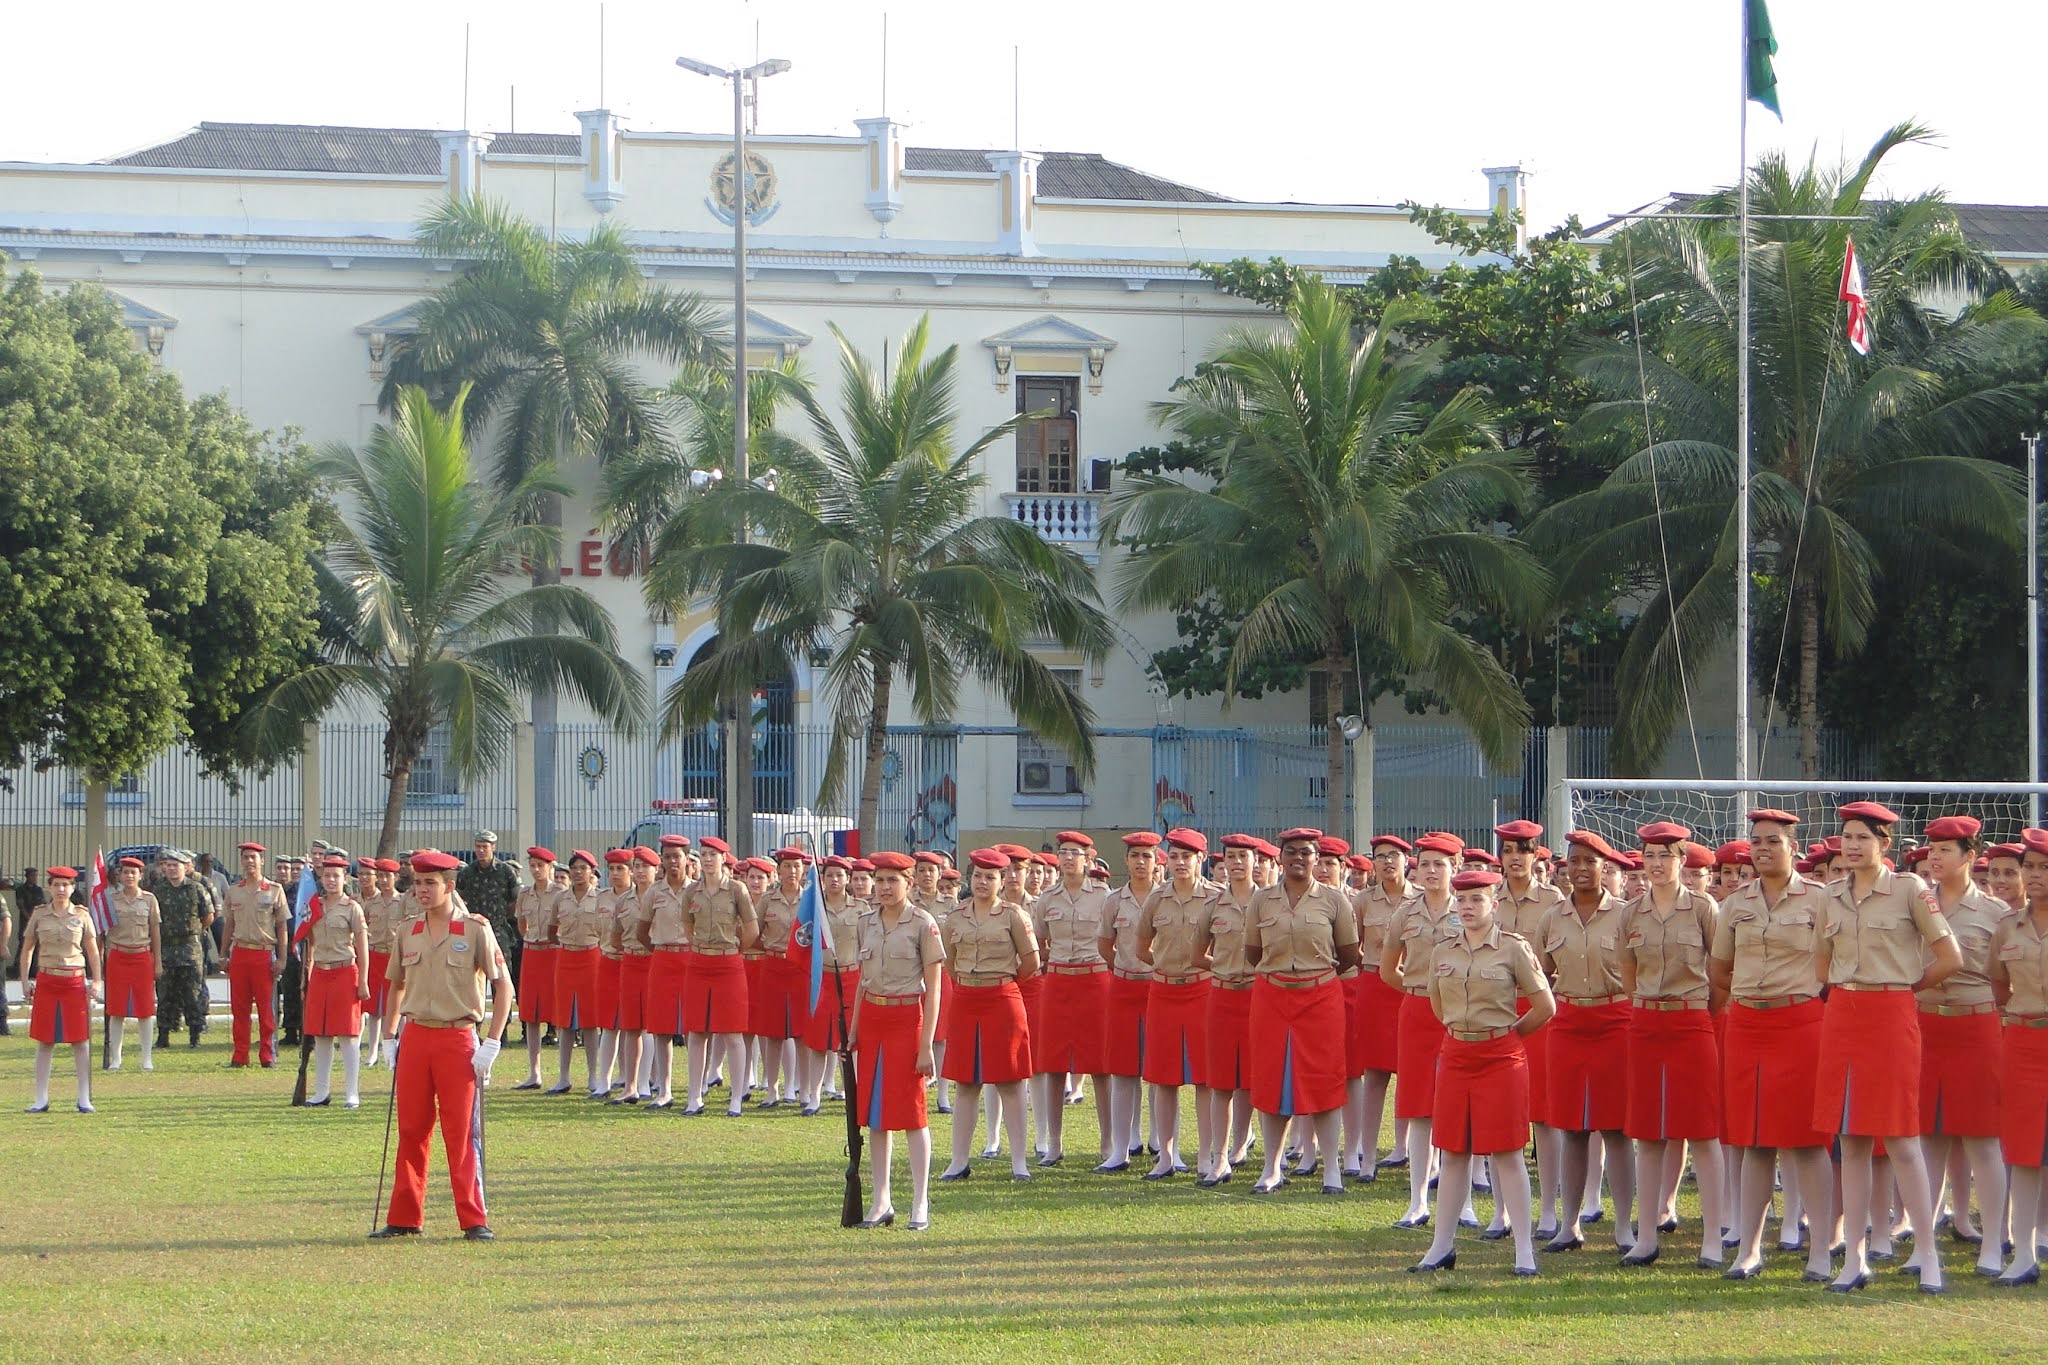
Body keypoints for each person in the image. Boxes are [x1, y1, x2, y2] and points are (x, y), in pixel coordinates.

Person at [1813, 800, 1959, 1294]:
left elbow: (1949, 955)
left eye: (1862, 837)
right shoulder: (1829, 896)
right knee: (1850, 1140)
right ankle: (1854, 1258)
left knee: (1900, 1138)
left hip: (1891, 1015)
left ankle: (1928, 1254)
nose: (1851, 846)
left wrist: (1907, 989)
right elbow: (1821, 966)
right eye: (1846, 836)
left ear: (1885, 844)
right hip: (1841, 1017)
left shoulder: (1910, 890)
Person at [1708, 809, 1836, 1281]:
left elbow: (1834, 963)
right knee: (1752, 1139)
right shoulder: (1734, 903)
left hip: (1801, 1023)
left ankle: (1821, 1249)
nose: (1762, 849)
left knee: (1806, 1141)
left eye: (1773, 842)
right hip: (1747, 1023)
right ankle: (1749, 1248)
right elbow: (1719, 969)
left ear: (1793, 850)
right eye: (1756, 842)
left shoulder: (1821, 900)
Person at [1411, 868, 1554, 1276]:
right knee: (1453, 1151)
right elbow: (1438, 1007)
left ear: (1495, 903)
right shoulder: (1444, 951)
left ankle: (1524, 1249)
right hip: (1457, 1053)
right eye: (1463, 899)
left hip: (1502, 1057)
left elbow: (1545, 1007)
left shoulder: (1513, 948)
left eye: (1477, 899)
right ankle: (1441, 1247)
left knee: (1507, 1153)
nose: (1468, 907)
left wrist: (1507, 1037)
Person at [369, 850, 513, 1242]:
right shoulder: (407, 930)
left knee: (461, 1132)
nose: (421, 890)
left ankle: (473, 1218)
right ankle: (404, 1216)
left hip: (457, 1038)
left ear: (449, 886)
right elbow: (395, 986)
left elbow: (504, 988)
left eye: (430, 883)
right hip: (415, 1037)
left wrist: (493, 1041)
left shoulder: (474, 929)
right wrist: (389, 1036)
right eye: (417, 882)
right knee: (412, 1129)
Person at [1614, 820, 1728, 1268]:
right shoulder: (1630, 912)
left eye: (1666, 855)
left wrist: (1698, 1010)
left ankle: (1714, 1238)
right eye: (1650, 856)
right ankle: (1645, 1237)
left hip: (1692, 1022)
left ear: (1683, 860)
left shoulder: (1702, 908)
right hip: (1645, 1024)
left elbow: (1720, 976)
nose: (1657, 864)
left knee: (1702, 1131)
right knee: (1647, 1132)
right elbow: (1627, 975)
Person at [1914, 814, 2010, 1279]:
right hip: (1925, 1027)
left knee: (1983, 1140)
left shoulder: (1995, 913)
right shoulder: (1914, 902)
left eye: (1945, 849)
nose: (1934, 856)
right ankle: (1923, 1243)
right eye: (1931, 848)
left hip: (1977, 1029)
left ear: (1970, 858)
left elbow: (2003, 980)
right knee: (1926, 1139)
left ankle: (1994, 1241)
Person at [1243, 827, 1360, 1196]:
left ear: (1317, 858)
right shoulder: (1262, 901)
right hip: (1272, 997)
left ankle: (1331, 1171)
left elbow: (1349, 954)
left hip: (1320, 997)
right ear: (1279, 857)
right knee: (1270, 1080)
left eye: (1306, 852)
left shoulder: (1334, 900)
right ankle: (1271, 1168)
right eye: (1291, 851)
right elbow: (1252, 952)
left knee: (1325, 1081)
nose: (1298, 858)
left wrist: (1314, 977)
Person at [1537, 830, 1635, 1252]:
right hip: (1569, 1021)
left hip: (1617, 1020)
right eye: (1572, 862)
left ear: (1605, 867)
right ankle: (1569, 1223)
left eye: (1589, 862)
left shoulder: (1627, 915)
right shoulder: (1551, 918)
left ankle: (1625, 1225)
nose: (1579, 869)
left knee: (1617, 1129)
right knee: (1570, 1128)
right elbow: (1539, 972)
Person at [850, 851, 946, 1229]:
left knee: (912, 1113)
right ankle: (881, 1201)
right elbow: (861, 981)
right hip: (873, 1018)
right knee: (875, 1116)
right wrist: (855, 1027)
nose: (885, 887)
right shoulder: (865, 923)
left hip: (907, 1018)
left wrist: (926, 1045)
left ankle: (920, 1203)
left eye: (893, 880)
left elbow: (934, 990)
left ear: (909, 882)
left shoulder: (923, 923)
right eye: (880, 879)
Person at [936, 848, 1039, 1183]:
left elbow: (1031, 962)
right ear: (970, 877)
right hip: (966, 999)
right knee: (966, 1083)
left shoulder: (1014, 915)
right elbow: (948, 960)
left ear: (1003, 879)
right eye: (978, 875)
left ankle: (1019, 1162)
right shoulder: (955, 916)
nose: (983, 882)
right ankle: (958, 1161)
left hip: (1003, 999)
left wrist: (1001, 982)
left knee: (1010, 1082)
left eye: (990, 877)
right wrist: (970, 981)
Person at [1381, 831, 1465, 1226]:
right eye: (1425, 863)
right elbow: (1387, 968)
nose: (1431, 871)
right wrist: (1422, 993)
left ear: (1456, 868)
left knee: (1458, 1106)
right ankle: (1417, 1200)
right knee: (1417, 1108)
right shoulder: (1406, 912)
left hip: (1459, 1015)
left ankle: (1461, 1201)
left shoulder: (1469, 910)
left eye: (1440, 864)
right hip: (1416, 1012)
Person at [1495, 819, 1565, 1240]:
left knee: (1545, 1112)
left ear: (1537, 855)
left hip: (1540, 1012)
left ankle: (1550, 1209)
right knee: (1501, 1111)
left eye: (1523, 850)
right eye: (1508, 851)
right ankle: (1501, 1210)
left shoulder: (1555, 901)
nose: (1515, 858)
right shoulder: (1489, 899)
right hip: (1496, 1010)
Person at [1030, 831, 1114, 1169]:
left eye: (1075, 853)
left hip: (1095, 980)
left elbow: (1113, 939)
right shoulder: (1048, 899)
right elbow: (1040, 940)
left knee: (1101, 1065)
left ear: (1088, 859)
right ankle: (1054, 1143)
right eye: (1063, 852)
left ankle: (1108, 1141)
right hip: (1059, 980)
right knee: (1052, 1064)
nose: (1067, 859)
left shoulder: (1105, 896)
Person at [1135, 827, 1215, 1180]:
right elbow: (1141, 946)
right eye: (1176, 856)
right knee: (1162, 1078)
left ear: (1201, 860)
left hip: (1202, 992)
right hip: (1164, 992)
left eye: (1188, 856)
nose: (1180, 863)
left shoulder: (1216, 897)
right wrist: (1166, 966)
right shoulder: (1157, 897)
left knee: (1205, 1079)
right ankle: (1166, 1155)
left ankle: (1205, 1156)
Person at [1989, 828, 2048, 1285]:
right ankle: (2023, 1253)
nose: (2035, 875)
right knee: (2024, 1153)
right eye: (2030, 866)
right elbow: (1998, 983)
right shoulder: (2008, 925)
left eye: (2044, 867)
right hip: (2023, 1042)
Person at [1190, 833, 1263, 1185]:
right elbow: (1196, 954)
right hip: (1221, 996)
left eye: (1243, 857)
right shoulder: (1213, 905)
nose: (1236, 863)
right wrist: (1221, 968)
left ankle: (1241, 1144)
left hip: (1258, 998)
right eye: (1230, 857)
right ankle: (1218, 1156)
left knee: (1252, 1077)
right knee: (1220, 1080)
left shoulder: (1268, 903)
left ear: (1256, 862)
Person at [682, 836, 760, 1117]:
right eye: (703, 855)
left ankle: (736, 1098)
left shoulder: (737, 889)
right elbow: (687, 927)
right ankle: (694, 1097)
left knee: (733, 1032)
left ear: (723, 858)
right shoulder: (692, 891)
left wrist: (735, 949)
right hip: (699, 963)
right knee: (697, 1032)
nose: (707, 859)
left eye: (713, 855)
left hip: (729, 963)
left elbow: (751, 930)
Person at [1100, 831, 1164, 1167]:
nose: (1141, 862)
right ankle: (1120, 1149)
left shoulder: (1165, 897)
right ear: (1126, 860)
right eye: (1135, 856)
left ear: (1157, 862)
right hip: (1124, 987)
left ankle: (1159, 1142)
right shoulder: (1114, 900)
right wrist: (1123, 967)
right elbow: (1104, 944)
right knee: (1123, 1071)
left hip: (1158, 987)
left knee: (1159, 1070)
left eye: (1147, 856)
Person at [1350, 835, 1412, 1179]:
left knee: (1411, 1071)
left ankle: (1403, 1147)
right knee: (1374, 1073)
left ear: (1407, 860)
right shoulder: (1362, 901)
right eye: (1380, 857)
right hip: (1374, 985)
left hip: (1409, 988)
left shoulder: (1419, 900)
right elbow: (1353, 946)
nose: (1388, 862)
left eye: (1394, 856)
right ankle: (1368, 1157)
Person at [18, 867, 103, 1112]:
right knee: (45, 1041)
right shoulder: (40, 914)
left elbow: (92, 951)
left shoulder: (82, 915)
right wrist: (25, 980)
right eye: (56, 885)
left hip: (74, 981)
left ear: (73, 888)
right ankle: (41, 1098)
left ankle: (84, 1097)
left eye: (66, 885)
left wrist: (96, 981)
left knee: (80, 1041)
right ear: (49, 887)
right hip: (47, 980)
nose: (61, 889)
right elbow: (27, 949)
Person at [298, 854, 371, 1108]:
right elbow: (306, 937)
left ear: (344, 879)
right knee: (321, 1034)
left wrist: (363, 980)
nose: (331, 880)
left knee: (348, 1034)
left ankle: (352, 1092)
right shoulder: (314, 906)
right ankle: (321, 1092)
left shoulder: (352, 907)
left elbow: (362, 946)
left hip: (344, 971)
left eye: (336, 876)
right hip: (320, 972)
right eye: (327, 875)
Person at [797, 854, 866, 1114]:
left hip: (851, 977)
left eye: (840, 875)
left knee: (851, 1042)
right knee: (818, 1041)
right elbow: (803, 939)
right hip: (822, 978)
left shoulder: (861, 909)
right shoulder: (814, 907)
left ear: (848, 879)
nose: (835, 880)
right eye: (829, 875)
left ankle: (853, 1092)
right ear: (822, 880)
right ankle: (813, 1096)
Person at [751, 849, 812, 1108]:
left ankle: (805, 1089)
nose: (792, 872)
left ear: (803, 870)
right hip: (773, 966)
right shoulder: (768, 899)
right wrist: (771, 950)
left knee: (802, 1033)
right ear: (779, 870)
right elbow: (754, 932)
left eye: (796, 866)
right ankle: (772, 1088)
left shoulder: (810, 900)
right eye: (786, 866)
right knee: (773, 1031)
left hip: (800, 969)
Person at [222, 843, 290, 1068]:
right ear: (241, 861)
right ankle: (240, 1054)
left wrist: (282, 958)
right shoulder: (234, 891)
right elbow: (229, 925)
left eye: (253, 857)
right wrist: (223, 955)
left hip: (263, 954)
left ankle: (267, 1055)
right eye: (245, 858)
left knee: (265, 1008)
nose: (249, 861)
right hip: (240, 952)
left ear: (262, 861)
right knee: (239, 1008)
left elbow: (281, 927)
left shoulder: (274, 890)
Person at [639, 836, 694, 1108]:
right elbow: (641, 930)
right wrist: (660, 947)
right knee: (661, 1027)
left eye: (678, 856)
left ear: (687, 859)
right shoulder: (654, 892)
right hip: (662, 959)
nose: (673, 861)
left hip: (690, 959)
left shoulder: (696, 891)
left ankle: (696, 1087)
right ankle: (665, 1088)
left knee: (694, 1026)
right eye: (668, 856)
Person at [548, 851, 604, 1096]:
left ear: (592, 871)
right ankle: (563, 1077)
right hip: (566, 957)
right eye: (574, 868)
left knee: (591, 1021)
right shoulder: (561, 899)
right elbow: (552, 930)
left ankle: (594, 1076)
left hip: (592, 957)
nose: (578, 873)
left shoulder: (601, 898)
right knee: (564, 1020)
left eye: (583, 868)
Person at [102, 856, 161, 1071]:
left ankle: (146, 1058)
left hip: (142, 956)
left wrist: (158, 962)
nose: (129, 876)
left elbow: (155, 932)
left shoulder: (149, 900)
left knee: (145, 1010)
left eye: (133, 872)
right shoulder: (111, 899)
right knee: (116, 1010)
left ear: (140, 876)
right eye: (125, 872)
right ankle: (116, 1058)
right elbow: (102, 932)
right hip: (117, 956)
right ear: (119, 875)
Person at [151, 851, 212, 1050]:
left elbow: (209, 915)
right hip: (166, 947)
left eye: (174, 865)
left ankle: (195, 1036)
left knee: (192, 993)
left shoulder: (196, 888)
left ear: (185, 866)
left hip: (190, 948)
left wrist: (195, 931)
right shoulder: (158, 890)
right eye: (167, 865)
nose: (170, 869)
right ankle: (163, 1035)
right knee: (165, 994)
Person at [511, 847, 561, 1088]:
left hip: (553, 953)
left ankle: (563, 1074)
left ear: (551, 867)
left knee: (558, 1012)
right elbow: (521, 923)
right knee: (531, 1014)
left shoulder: (561, 893)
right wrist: (530, 938)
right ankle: (534, 1072)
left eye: (541, 865)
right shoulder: (524, 894)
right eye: (532, 865)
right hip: (532, 953)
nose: (536, 870)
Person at [612, 846, 658, 1104]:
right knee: (631, 1027)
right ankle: (630, 1085)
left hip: (654, 961)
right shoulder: (624, 900)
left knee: (656, 1025)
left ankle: (651, 1082)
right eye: (637, 866)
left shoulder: (661, 896)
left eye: (645, 867)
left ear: (655, 870)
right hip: (630, 961)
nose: (640, 872)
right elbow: (615, 936)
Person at [456, 831, 523, 993]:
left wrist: (505, 917)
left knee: (500, 976)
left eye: (484, 847)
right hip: (474, 931)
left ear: (493, 847)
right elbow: (458, 898)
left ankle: (504, 1017)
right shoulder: (467, 872)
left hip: (499, 930)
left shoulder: (505, 871)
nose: (480, 850)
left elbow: (516, 899)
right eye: (478, 846)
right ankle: (475, 1017)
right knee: (473, 976)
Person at [359, 858, 404, 1068]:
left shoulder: (402, 902)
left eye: (388, 876)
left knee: (396, 1006)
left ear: (396, 877)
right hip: (375, 955)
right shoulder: (370, 904)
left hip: (395, 957)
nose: (385, 880)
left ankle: (400, 1046)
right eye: (381, 876)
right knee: (373, 1008)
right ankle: (372, 1051)